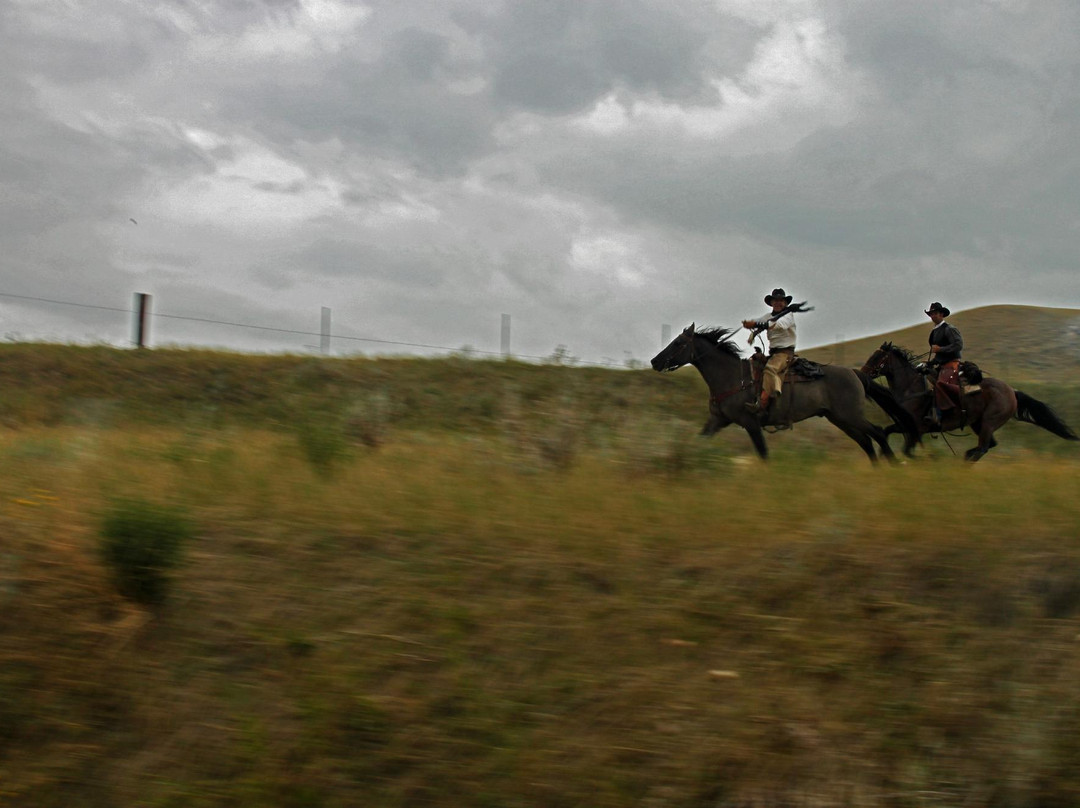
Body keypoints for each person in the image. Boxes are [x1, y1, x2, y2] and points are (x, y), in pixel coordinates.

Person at [742, 288, 796, 414]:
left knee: (770, 369)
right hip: (774, 353)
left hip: (785, 353)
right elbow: (759, 320)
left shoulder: (788, 315)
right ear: (771, 303)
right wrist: (748, 323)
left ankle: (764, 402)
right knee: (753, 365)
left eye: (781, 300)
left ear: (785, 303)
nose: (778, 303)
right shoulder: (768, 316)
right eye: (775, 300)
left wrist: (758, 325)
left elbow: (778, 325)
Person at [923, 301, 964, 427]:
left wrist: (940, 349)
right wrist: (930, 363)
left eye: (935, 313)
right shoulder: (935, 332)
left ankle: (939, 416)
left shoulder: (949, 329)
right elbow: (939, 355)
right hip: (941, 365)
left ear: (941, 314)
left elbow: (958, 345)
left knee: (940, 385)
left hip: (951, 365)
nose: (932, 316)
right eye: (931, 314)